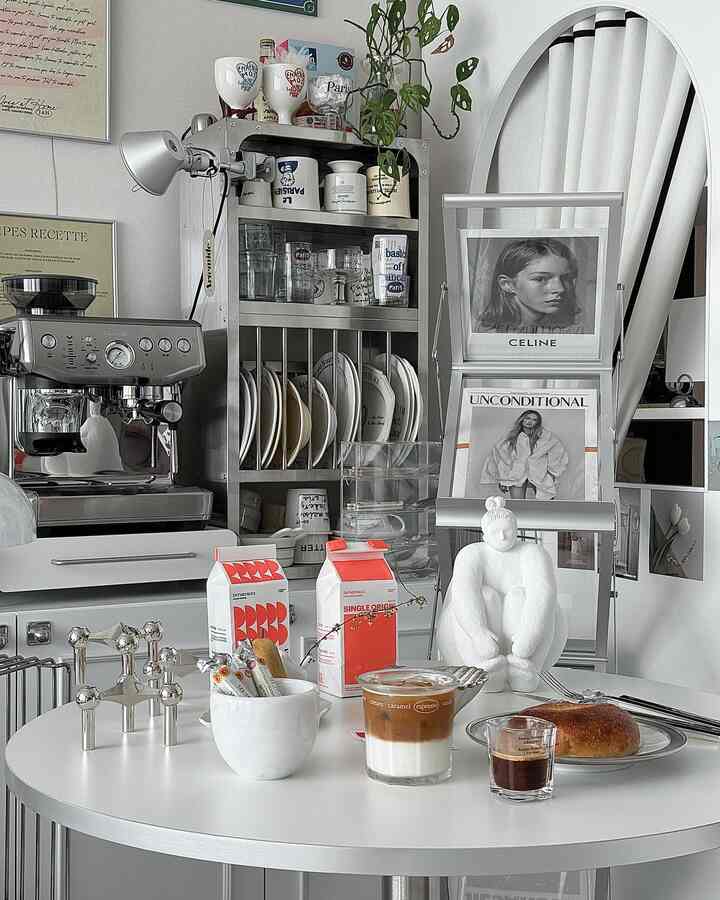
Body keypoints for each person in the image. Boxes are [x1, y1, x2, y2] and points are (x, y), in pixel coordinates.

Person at [437, 496, 568, 692]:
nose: (502, 537)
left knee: (525, 599)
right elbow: (464, 594)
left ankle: (525, 670)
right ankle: (480, 669)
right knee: (485, 596)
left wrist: (529, 639)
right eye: (495, 532)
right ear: (484, 533)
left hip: (526, 649)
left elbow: (543, 594)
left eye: (508, 531)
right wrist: (478, 635)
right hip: (474, 645)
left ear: (516, 530)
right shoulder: (471, 553)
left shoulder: (533, 553)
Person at [479, 237, 582, 333]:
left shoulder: (573, 332)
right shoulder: (482, 334)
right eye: (540, 279)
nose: (560, 288)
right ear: (507, 284)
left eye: (566, 278)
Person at [480, 410, 568, 500]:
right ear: (522, 419)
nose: (530, 421)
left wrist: (552, 473)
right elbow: (501, 457)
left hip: (539, 474)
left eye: (534, 420)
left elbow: (557, 452)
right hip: (515, 475)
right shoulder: (511, 436)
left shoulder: (546, 436)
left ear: (538, 422)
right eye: (527, 418)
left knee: (547, 504)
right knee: (517, 505)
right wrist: (503, 479)